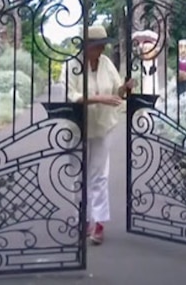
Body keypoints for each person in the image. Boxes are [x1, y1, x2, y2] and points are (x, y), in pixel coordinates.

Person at [63, 25, 135, 245]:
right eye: (98, 45)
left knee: (99, 176)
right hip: (78, 128)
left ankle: (99, 223)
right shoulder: (71, 65)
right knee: (79, 175)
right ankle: (83, 218)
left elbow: (116, 92)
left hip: (102, 125)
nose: (102, 49)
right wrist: (98, 99)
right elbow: (71, 95)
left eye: (103, 45)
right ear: (87, 46)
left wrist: (125, 87)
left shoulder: (105, 63)